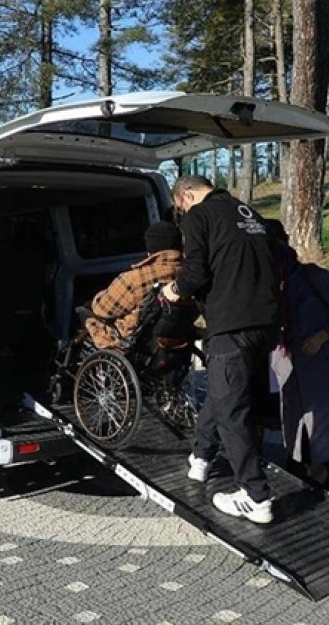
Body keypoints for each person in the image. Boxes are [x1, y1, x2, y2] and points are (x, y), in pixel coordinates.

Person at [161, 176, 280, 525]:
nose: (180, 215)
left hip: (233, 324)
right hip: (266, 323)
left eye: (179, 207)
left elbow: (196, 270)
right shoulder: (248, 213)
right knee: (220, 391)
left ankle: (255, 496)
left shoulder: (200, 215)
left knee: (231, 411)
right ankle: (200, 459)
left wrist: (174, 290)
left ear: (186, 195)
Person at [268, 221, 329, 490]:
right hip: (290, 366)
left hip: (323, 363)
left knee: (324, 426)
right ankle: (297, 477)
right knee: (295, 423)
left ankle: (320, 484)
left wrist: (322, 336)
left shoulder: (313, 276)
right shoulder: (270, 284)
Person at [85, 222, 185, 350]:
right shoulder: (190, 275)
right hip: (175, 340)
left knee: (87, 315)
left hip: (131, 344)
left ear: (151, 249)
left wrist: (96, 298)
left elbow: (102, 310)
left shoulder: (135, 279)